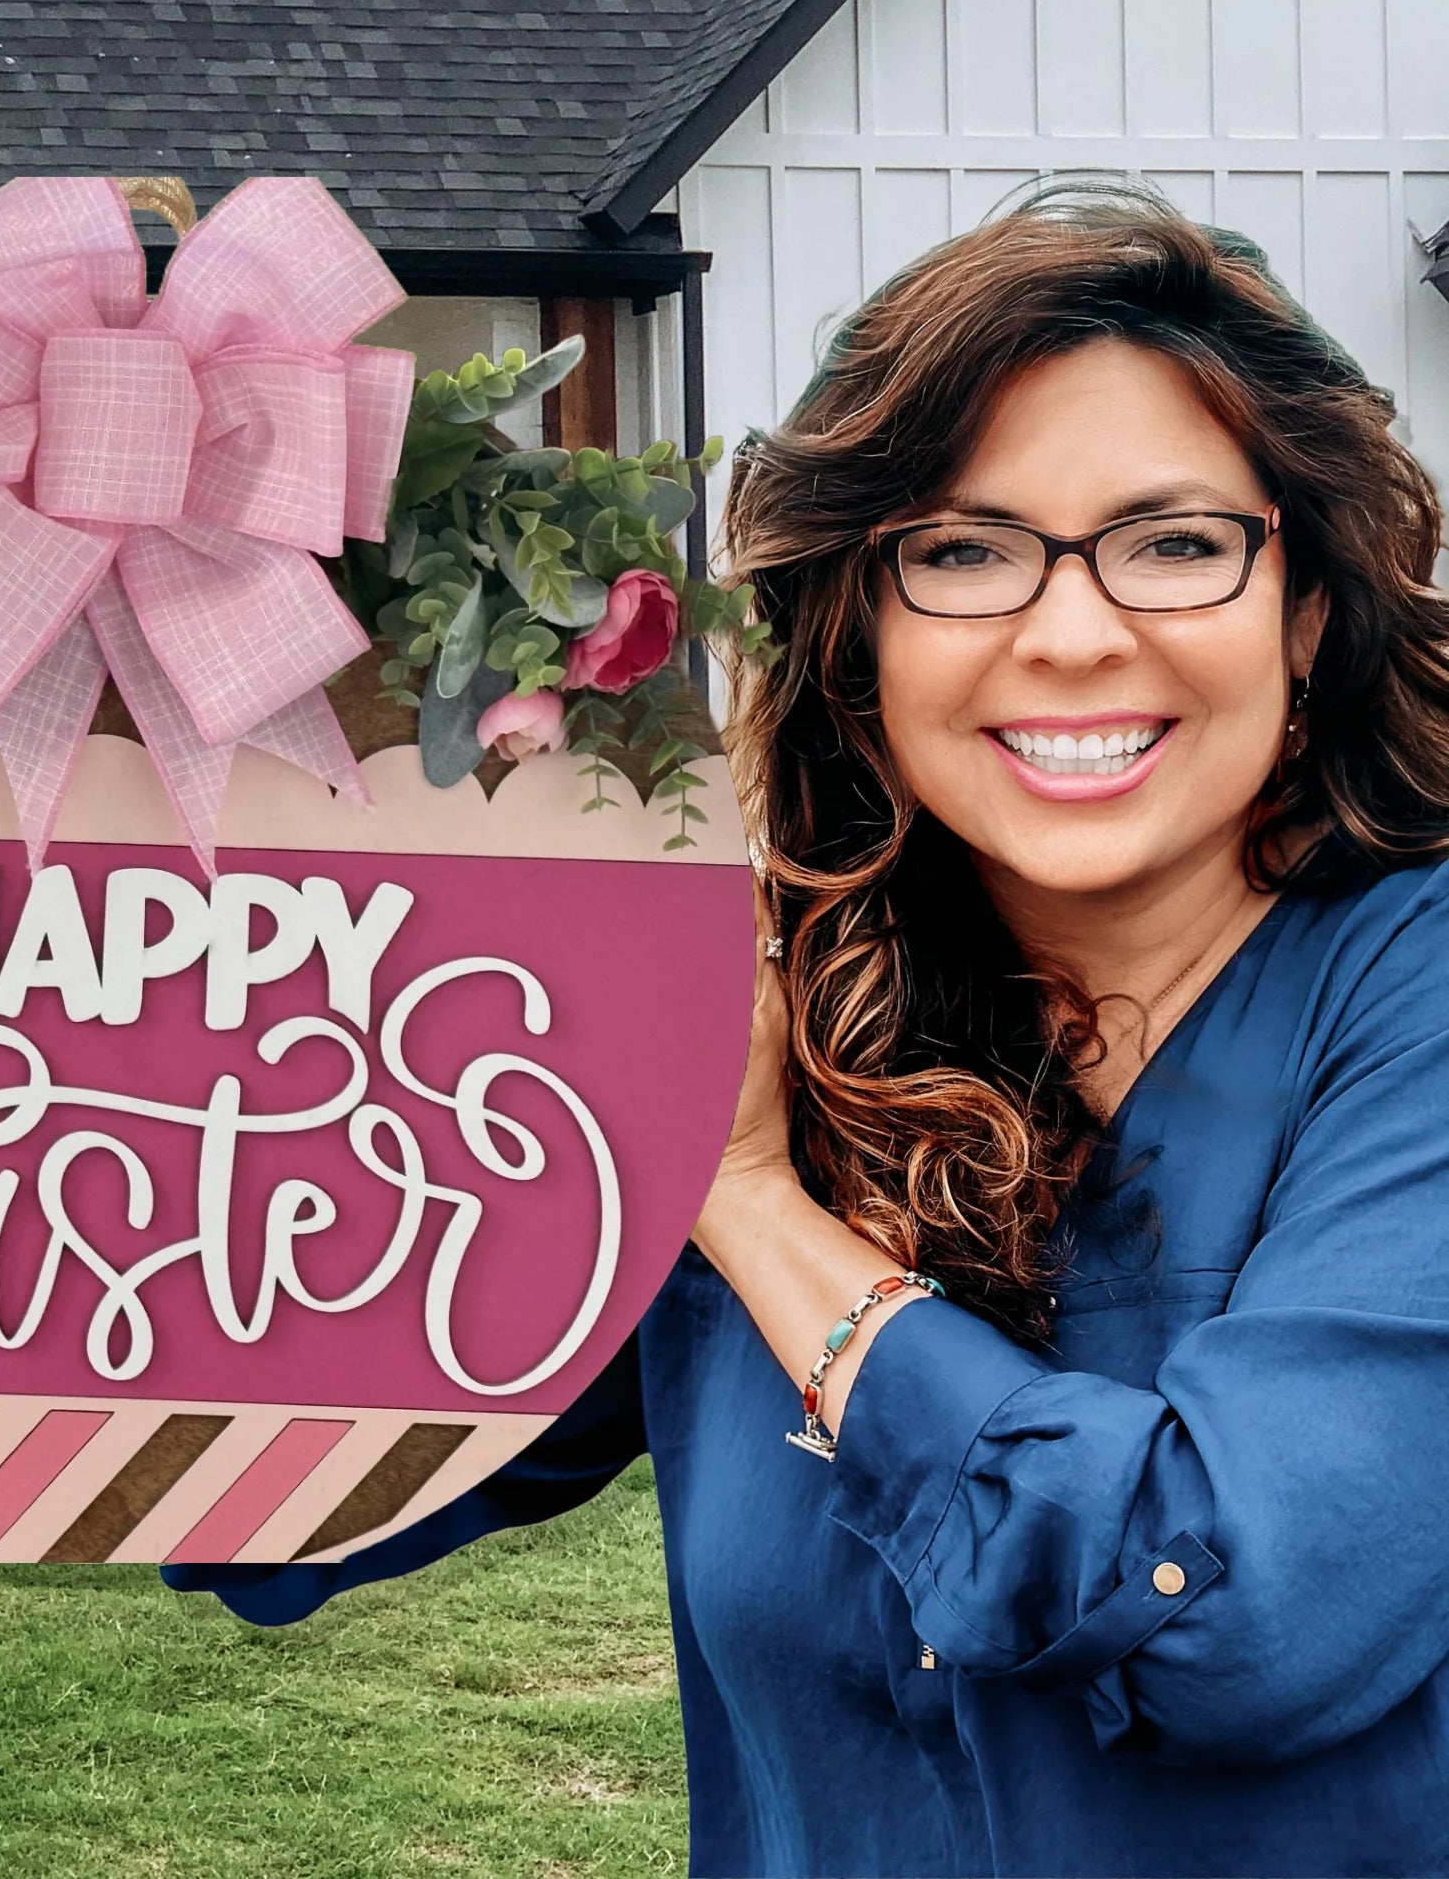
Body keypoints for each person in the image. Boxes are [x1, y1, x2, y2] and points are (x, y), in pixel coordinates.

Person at [166, 187, 1449, 1876]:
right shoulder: (784, 1005)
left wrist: (758, 1205)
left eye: (1176, 541)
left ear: (1306, 607)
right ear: (860, 631)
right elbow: (283, 1490)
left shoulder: (1405, 1002)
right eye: (965, 551)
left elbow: (1238, 1618)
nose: (1070, 633)